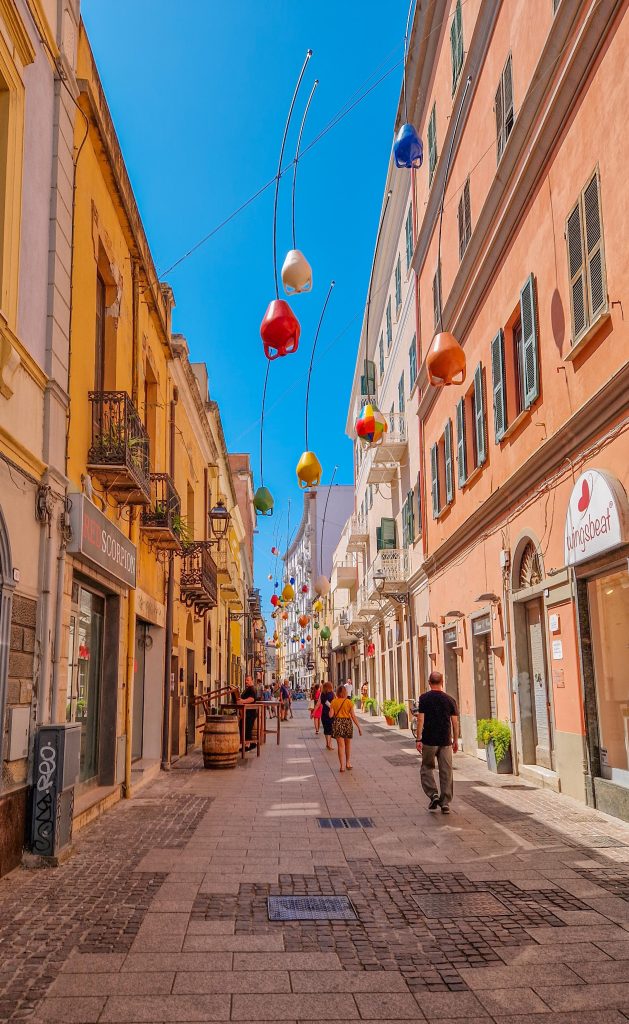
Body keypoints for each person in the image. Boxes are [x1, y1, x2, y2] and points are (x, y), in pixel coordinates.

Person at [414, 671, 459, 814]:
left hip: (429, 740)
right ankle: (445, 803)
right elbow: (455, 723)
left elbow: (420, 719)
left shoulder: (424, 698)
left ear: (429, 682)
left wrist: (419, 738)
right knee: (446, 771)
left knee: (426, 768)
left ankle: (433, 794)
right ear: (442, 682)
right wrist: (455, 740)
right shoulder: (450, 700)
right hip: (445, 741)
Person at [329, 683, 362, 772]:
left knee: (340, 746)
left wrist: (332, 709)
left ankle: (342, 766)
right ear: (345, 692)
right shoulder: (349, 702)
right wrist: (359, 727)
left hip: (338, 723)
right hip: (347, 723)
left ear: (337, 693)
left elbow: (330, 715)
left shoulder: (333, 702)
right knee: (347, 745)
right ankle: (348, 763)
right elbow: (353, 716)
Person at [234, 675, 258, 750]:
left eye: (248, 680)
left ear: (252, 681)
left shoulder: (252, 689)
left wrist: (242, 701)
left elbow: (252, 699)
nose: (246, 681)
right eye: (245, 680)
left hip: (250, 712)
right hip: (246, 712)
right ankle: (250, 744)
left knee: (247, 728)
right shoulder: (248, 688)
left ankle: (247, 745)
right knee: (244, 727)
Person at [319, 681, 335, 750]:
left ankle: (327, 743)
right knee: (330, 729)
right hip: (330, 713)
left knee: (326, 729)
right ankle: (329, 744)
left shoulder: (322, 694)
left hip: (324, 713)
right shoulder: (332, 694)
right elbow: (332, 704)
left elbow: (321, 703)